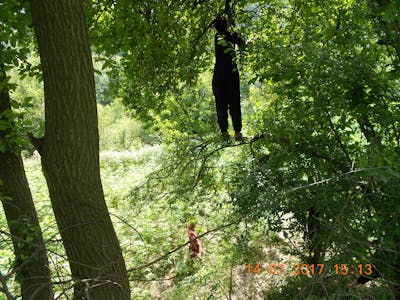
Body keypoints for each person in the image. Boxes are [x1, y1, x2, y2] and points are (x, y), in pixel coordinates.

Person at [212, 16, 245, 140]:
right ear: (226, 25)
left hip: (220, 75)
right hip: (231, 73)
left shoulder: (218, 37)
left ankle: (225, 132)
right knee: (234, 102)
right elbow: (241, 42)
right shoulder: (228, 36)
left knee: (221, 103)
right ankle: (236, 132)